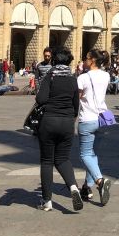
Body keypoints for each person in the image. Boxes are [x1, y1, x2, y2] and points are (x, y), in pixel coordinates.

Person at [34, 47, 83, 212]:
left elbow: (40, 99)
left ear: (54, 60)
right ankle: (74, 188)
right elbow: (77, 105)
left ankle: (47, 201)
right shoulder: (72, 78)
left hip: (49, 121)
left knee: (47, 161)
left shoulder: (50, 76)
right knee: (63, 159)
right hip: (67, 123)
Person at [77, 49, 113, 205]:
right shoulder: (106, 75)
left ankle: (100, 181)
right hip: (102, 119)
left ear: (92, 60)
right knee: (93, 155)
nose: (84, 60)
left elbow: (77, 97)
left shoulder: (83, 77)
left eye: (86, 58)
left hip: (87, 119)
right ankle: (86, 187)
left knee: (85, 155)